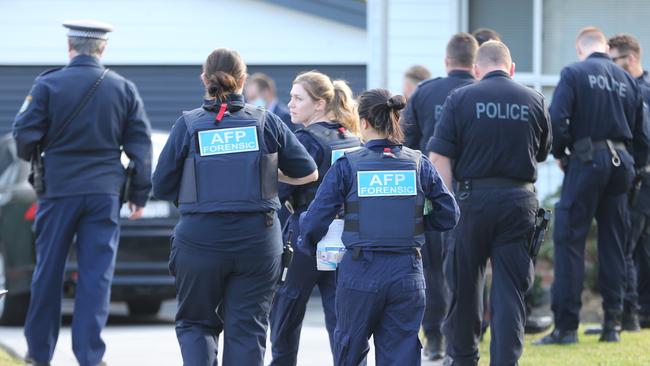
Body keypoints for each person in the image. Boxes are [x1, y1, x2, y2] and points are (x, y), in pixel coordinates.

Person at [152, 48, 318, 366]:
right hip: (257, 239)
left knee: (196, 324)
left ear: (205, 79)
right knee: (246, 329)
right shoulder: (266, 122)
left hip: (200, 239)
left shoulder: (187, 125)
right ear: (243, 80)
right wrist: (267, 174)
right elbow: (308, 171)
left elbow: (161, 187)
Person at [12, 20, 153, 366]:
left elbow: (23, 138)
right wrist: (140, 194)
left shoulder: (47, 85)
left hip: (58, 191)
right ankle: (90, 356)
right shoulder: (123, 88)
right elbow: (141, 147)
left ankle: (39, 354)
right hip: (105, 193)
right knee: (96, 275)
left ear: (69, 47)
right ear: (102, 49)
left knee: (48, 273)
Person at [299, 88, 459, 366]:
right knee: (402, 355)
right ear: (395, 118)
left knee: (350, 352)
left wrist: (307, 241)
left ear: (363, 123)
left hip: (360, 274)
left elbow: (315, 220)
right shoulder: (418, 163)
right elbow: (449, 215)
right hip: (407, 272)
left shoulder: (348, 165)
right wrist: (414, 224)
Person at [430, 41, 551, 365]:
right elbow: (541, 152)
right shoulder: (533, 99)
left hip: (471, 202)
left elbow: (440, 156)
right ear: (511, 68)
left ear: (477, 70)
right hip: (519, 202)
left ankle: (464, 357)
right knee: (510, 289)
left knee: (465, 285)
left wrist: (447, 206)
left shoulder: (461, 98)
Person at [535, 27, 650, 345]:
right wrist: (634, 165)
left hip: (588, 160)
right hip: (622, 164)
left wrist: (562, 154)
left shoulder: (574, 72)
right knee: (615, 243)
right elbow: (642, 134)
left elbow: (557, 120)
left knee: (569, 239)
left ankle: (566, 327)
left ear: (580, 49)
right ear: (603, 48)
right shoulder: (627, 79)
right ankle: (612, 324)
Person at [269, 71, 361, 366]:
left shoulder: (305, 139)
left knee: (285, 310)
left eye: (298, 98)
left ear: (319, 105)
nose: (291, 104)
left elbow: (277, 188)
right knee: (341, 317)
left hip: (305, 237)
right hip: (344, 235)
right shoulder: (350, 138)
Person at [401, 32, 478, 361]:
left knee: (432, 268)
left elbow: (407, 144)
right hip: (475, 193)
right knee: (471, 269)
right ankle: (468, 334)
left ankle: (434, 337)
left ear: (447, 61)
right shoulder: (481, 93)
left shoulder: (424, 92)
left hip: (431, 194)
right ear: (475, 64)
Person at [608, 33, 650, 330]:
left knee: (627, 245)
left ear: (631, 58)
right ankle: (642, 312)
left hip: (640, 179)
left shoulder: (640, 91)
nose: (610, 67)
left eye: (614, 61)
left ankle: (630, 315)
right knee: (640, 249)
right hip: (639, 178)